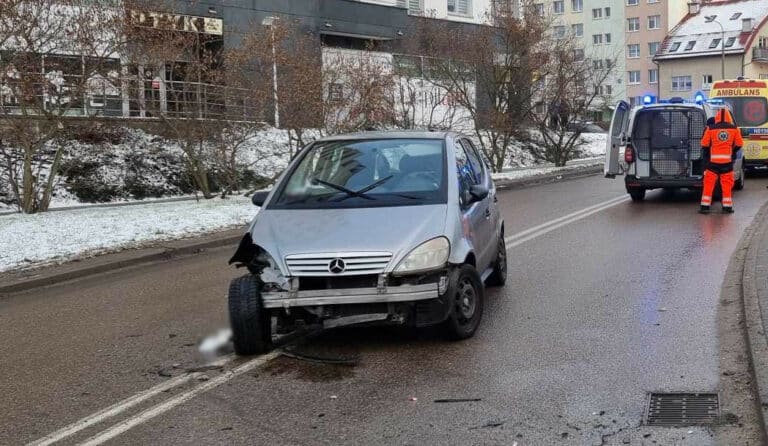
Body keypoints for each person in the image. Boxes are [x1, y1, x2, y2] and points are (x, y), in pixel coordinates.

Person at [699, 108, 743, 214]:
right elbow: (739, 144)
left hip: (712, 163)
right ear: (728, 117)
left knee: (709, 184)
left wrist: (708, 155)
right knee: (727, 185)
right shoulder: (734, 129)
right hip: (727, 163)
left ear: (717, 117)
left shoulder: (710, 128)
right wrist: (731, 151)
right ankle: (727, 207)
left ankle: (705, 207)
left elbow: (704, 144)